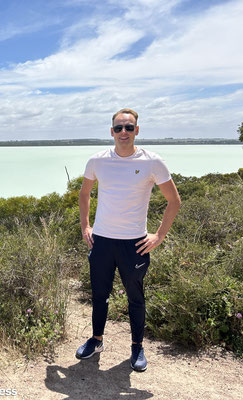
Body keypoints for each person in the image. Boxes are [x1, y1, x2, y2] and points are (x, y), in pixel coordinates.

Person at [76, 108, 181, 372]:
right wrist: (85, 226)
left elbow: (174, 201)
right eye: (119, 128)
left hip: (134, 243)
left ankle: (136, 347)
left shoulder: (152, 162)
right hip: (101, 241)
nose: (124, 132)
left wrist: (158, 236)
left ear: (137, 130)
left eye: (129, 127)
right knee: (99, 295)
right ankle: (96, 340)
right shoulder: (97, 161)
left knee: (135, 297)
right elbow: (84, 193)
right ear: (111, 132)